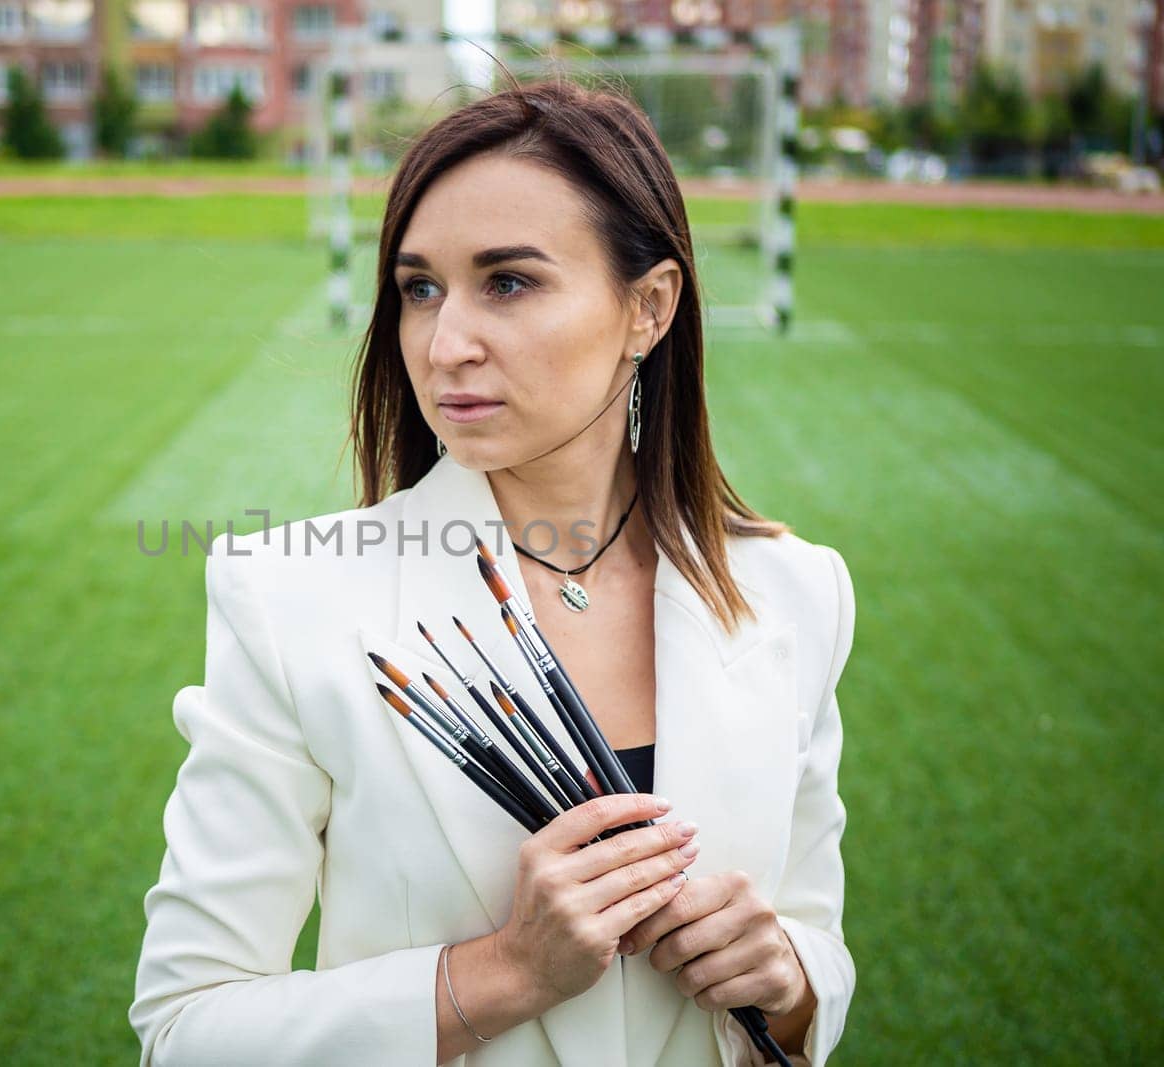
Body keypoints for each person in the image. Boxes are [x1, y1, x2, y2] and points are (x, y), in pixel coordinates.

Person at [130, 76, 856, 1066]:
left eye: (507, 282)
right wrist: (506, 971)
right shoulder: (289, 597)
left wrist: (792, 976)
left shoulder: (794, 592)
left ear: (648, 306)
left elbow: (814, 940)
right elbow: (186, 1029)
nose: (444, 342)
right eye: (419, 287)